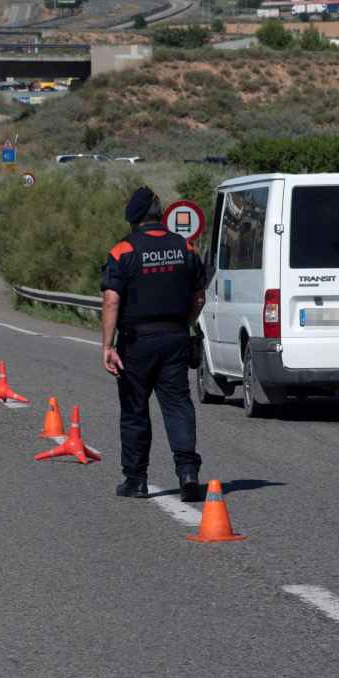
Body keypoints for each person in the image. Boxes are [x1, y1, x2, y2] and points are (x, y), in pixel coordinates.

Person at [100, 187, 207, 502]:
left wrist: (107, 345)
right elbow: (199, 296)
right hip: (175, 337)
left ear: (133, 218)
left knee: (135, 411)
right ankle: (188, 474)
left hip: (136, 342)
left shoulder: (123, 251)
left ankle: (136, 480)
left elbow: (111, 300)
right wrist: (183, 324)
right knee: (178, 406)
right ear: (160, 216)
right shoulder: (185, 247)